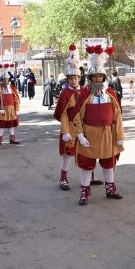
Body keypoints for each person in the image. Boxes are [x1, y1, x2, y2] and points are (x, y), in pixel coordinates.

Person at [73, 44, 124, 205]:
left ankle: (110, 189)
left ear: (104, 77)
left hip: (107, 134)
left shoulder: (111, 94)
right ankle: (84, 193)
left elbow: (117, 116)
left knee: (108, 163)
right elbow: (77, 117)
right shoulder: (83, 95)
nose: (97, 79)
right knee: (87, 165)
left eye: (100, 76)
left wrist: (119, 136)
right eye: (94, 76)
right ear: (90, 77)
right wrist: (80, 135)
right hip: (90, 134)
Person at [53, 45, 83, 191]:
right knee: (68, 154)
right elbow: (63, 114)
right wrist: (65, 131)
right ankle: (63, 177)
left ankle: (91, 175)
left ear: (79, 78)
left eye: (75, 78)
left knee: (87, 152)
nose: (73, 81)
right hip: (70, 127)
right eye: (71, 78)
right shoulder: (65, 93)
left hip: (83, 127)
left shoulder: (84, 91)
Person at [0, 64, 20, 145]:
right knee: (1, 125)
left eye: (7, 79)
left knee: (11, 125)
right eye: (4, 80)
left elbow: (17, 99)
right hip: (3, 110)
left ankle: (12, 139)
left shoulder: (12, 88)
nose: (6, 81)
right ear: (1, 80)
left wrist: (17, 109)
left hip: (12, 109)